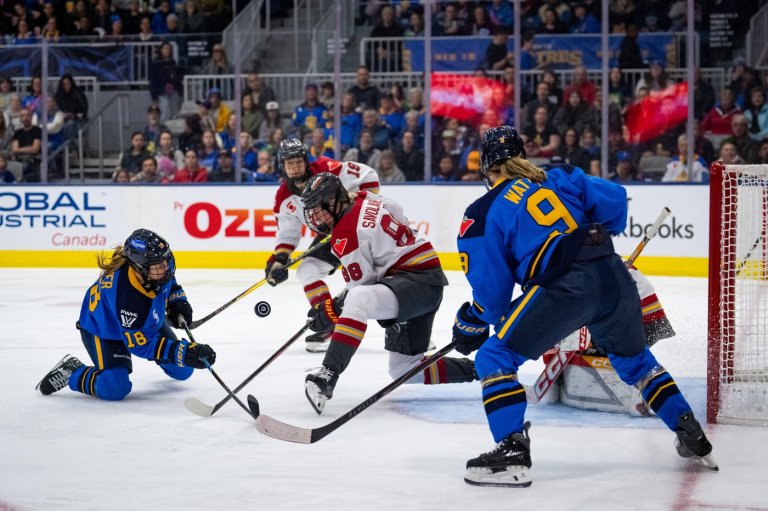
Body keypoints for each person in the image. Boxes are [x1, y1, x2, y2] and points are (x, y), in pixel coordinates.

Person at [453, 126, 716, 487]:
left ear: (486, 167)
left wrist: (470, 322)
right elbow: (615, 204)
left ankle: (512, 452)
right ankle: (691, 432)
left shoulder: (481, 212)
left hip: (565, 288)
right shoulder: (558, 177)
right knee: (635, 362)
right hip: (613, 276)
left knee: (493, 358)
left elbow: (493, 298)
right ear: (522, 155)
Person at [300, 173, 478, 414]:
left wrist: (330, 312)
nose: (315, 217)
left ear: (334, 200)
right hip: (422, 281)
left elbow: (361, 288)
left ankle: (328, 374)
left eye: (319, 208)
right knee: (404, 369)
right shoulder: (365, 197)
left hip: (416, 282)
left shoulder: (346, 234)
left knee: (357, 299)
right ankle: (482, 369)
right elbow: (397, 210)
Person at [36, 229, 216, 401]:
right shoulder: (128, 298)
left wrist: (177, 301)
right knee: (114, 388)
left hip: (141, 323)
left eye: (165, 259)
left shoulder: (153, 270)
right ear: (140, 268)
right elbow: (141, 345)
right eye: (158, 264)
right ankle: (72, 372)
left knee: (183, 371)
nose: (165, 266)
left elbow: (169, 280)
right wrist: (185, 352)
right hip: (103, 330)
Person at [266, 138, 380, 353]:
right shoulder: (283, 197)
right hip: (331, 234)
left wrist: (362, 205)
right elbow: (288, 232)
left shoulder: (326, 168)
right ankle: (329, 322)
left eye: (298, 161)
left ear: (305, 160)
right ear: (282, 166)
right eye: (289, 163)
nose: (295, 166)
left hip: (358, 230)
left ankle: (405, 327)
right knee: (307, 271)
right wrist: (280, 259)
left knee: (372, 278)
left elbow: (368, 176)